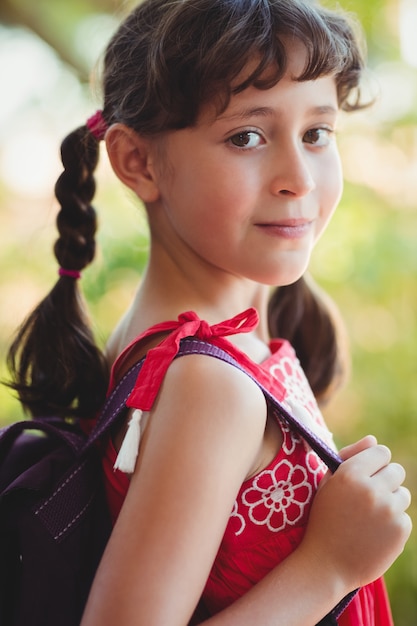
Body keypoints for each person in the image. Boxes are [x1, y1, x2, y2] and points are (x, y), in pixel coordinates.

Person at [7, 0, 412, 624]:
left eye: (316, 134)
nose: (297, 177)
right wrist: (328, 567)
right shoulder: (211, 383)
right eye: (247, 136)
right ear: (138, 162)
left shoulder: (185, 349)